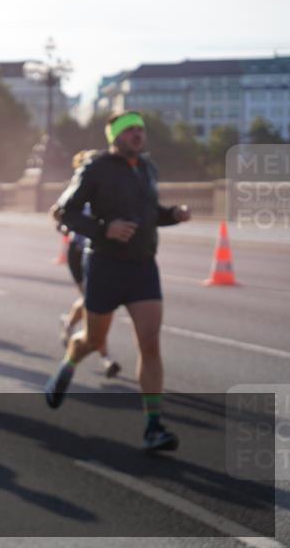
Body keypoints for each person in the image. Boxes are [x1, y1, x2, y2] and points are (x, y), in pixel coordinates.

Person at [45, 111, 191, 451]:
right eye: (130, 131)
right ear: (115, 137)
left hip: (142, 267)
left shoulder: (147, 168)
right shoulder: (95, 168)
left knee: (150, 343)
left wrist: (172, 215)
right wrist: (104, 229)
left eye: (141, 129)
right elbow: (64, 212)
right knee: (94, 341)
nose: (138, 135)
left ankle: (153, 426)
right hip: (105, 265)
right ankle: (68, 364)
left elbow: (149, 214)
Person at [52, 150, 121, 379]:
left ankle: (68, 322)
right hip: (78, 252)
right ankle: (106, 358)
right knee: (95, 305)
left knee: (91, 302)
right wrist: (66, 227)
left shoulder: (105, 188)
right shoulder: (76, 188)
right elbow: (57, 213)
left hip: (99, 254)